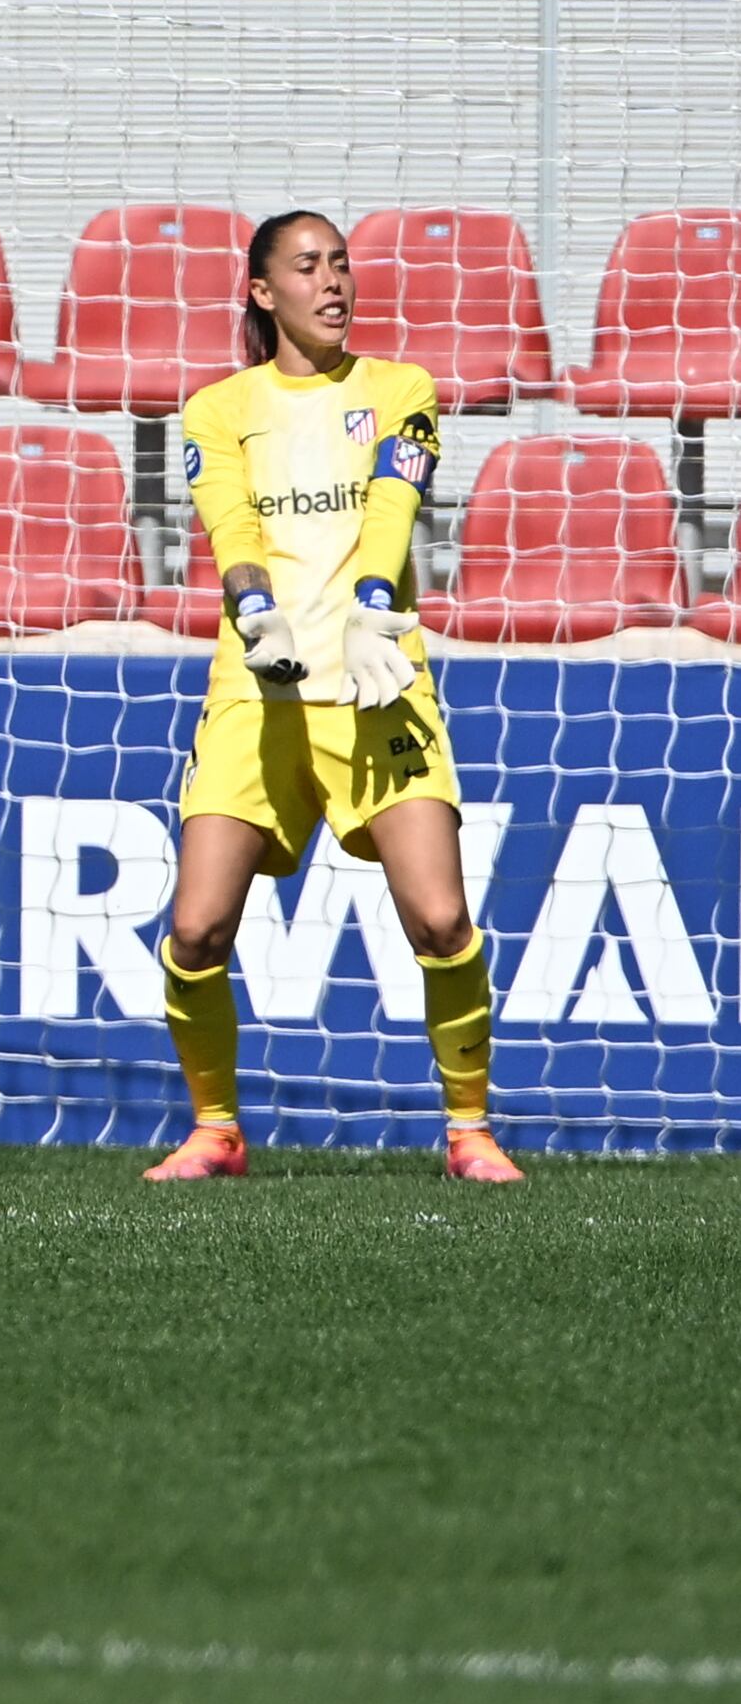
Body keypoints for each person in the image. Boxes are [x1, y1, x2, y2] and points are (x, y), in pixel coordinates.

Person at [147, 210, 509, 1185]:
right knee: (193, 930)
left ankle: (467, 1130)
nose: (332, 282)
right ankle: (214, 1130)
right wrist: (255, 613)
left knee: (437, 920)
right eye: (306, 267)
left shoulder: (400, 390)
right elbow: (229, 525)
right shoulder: (216, 408)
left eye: (339, 264)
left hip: (376, 678)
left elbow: (393, 505)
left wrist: (369, 609)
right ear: (262, 293)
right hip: (255, 693)